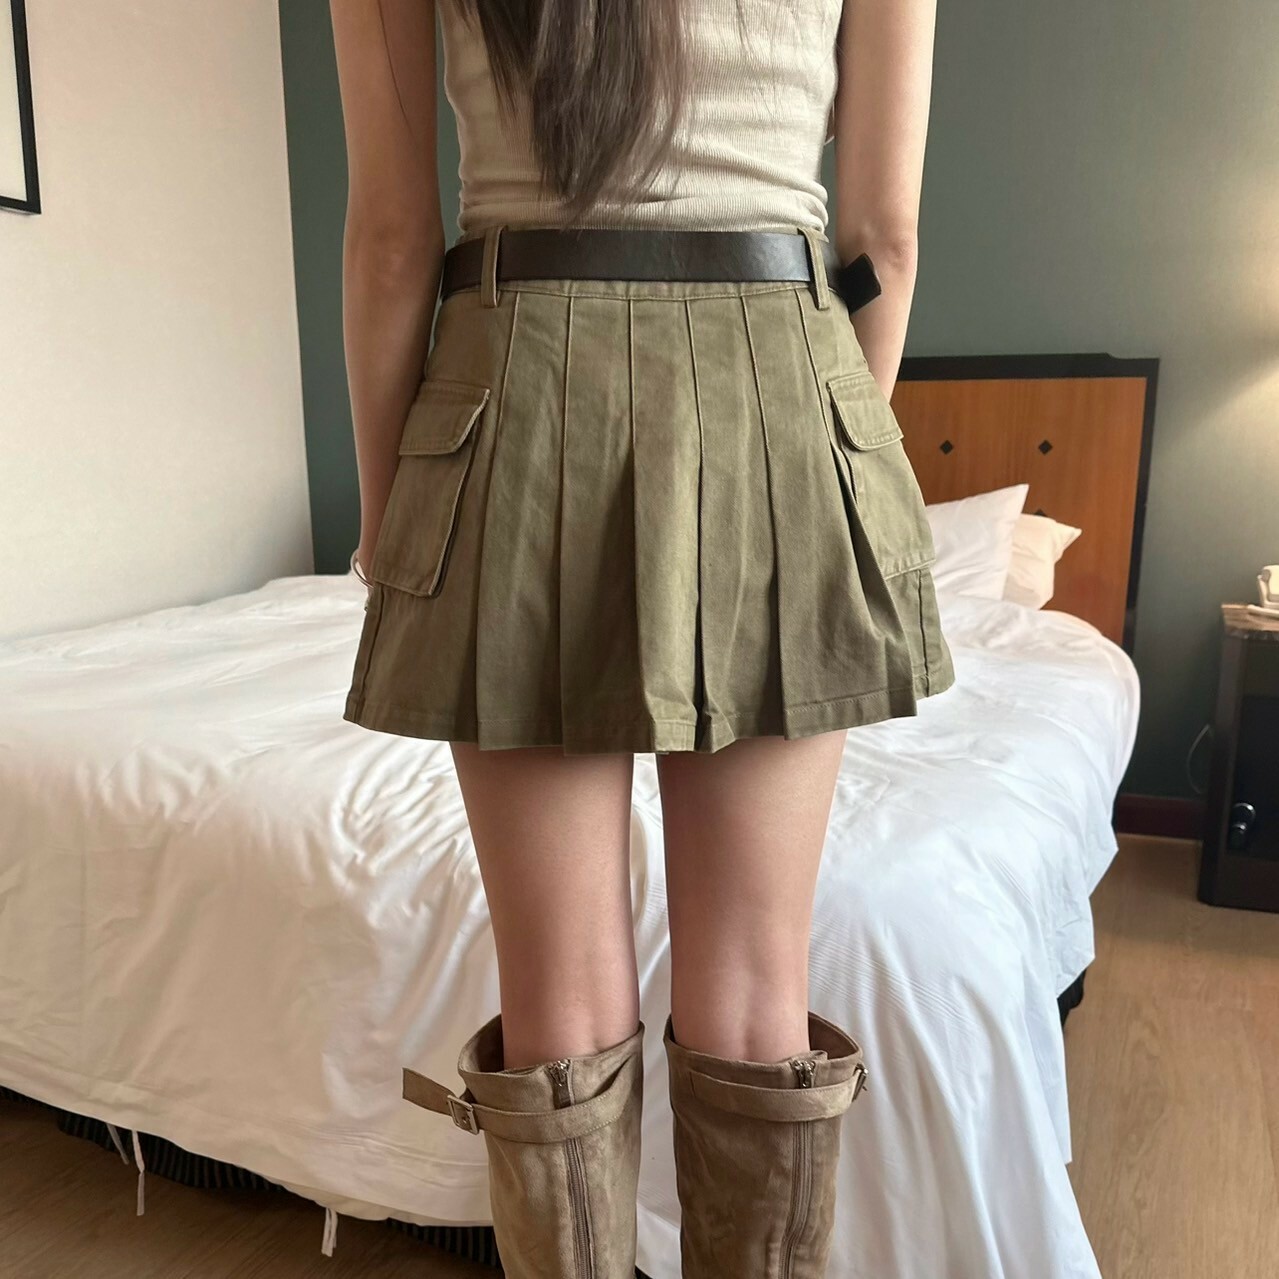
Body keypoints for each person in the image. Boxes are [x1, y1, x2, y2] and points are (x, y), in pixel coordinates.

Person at [332, 0, 949, 1274]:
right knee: (757, 995)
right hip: (780, 373)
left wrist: (393, 523)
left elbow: (393, 242)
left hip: (512, 381)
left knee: (554, 997)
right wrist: (823, 459)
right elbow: (881, 239)